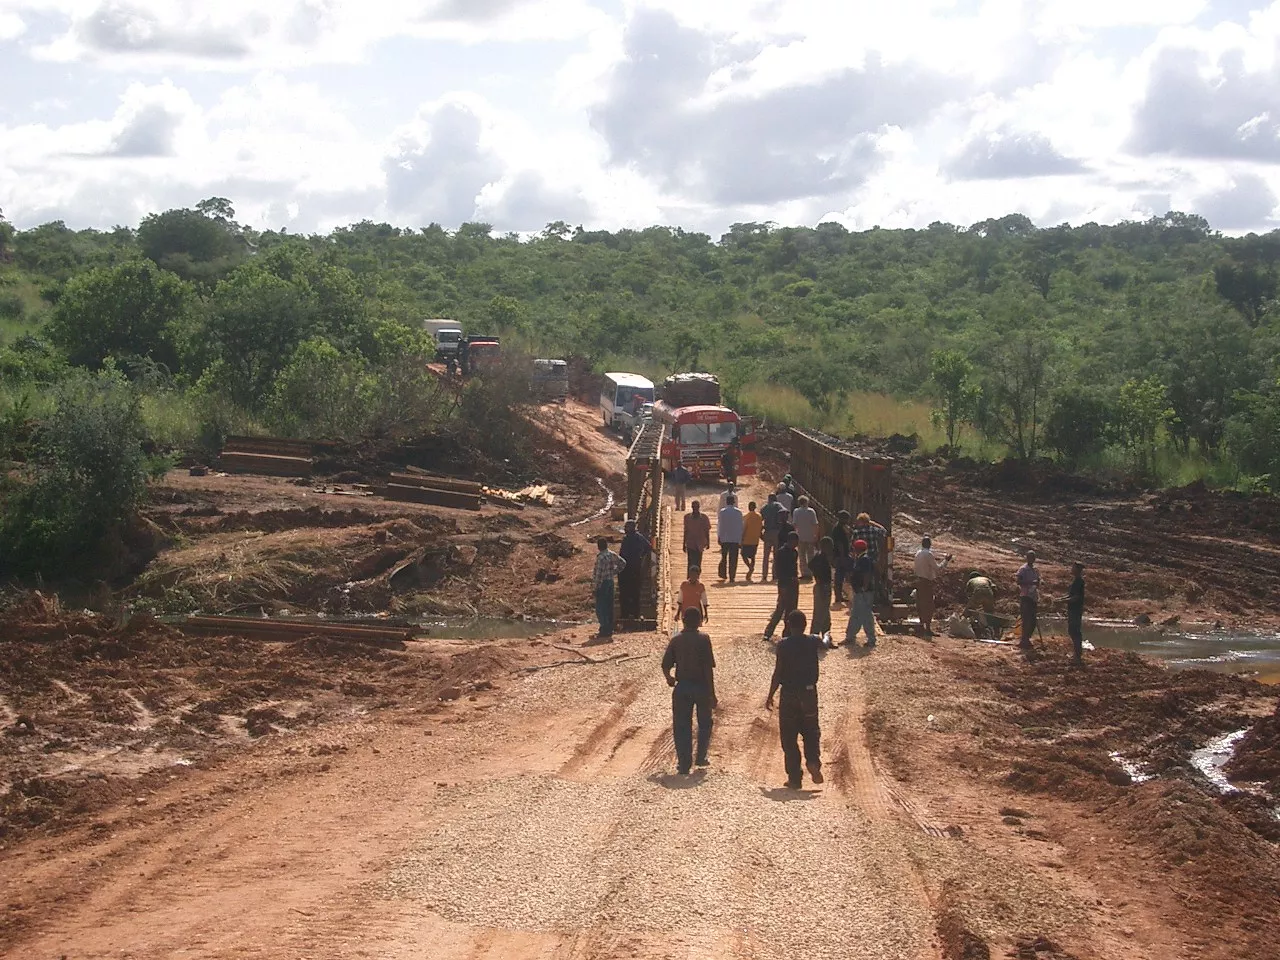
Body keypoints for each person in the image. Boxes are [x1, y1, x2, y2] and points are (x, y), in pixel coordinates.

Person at [766, 610, 827, 789]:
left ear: (788, 625)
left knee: (789, 736)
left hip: (789, 694)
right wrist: (825, 636)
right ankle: (813, 761)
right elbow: (825, 644)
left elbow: (778, 672)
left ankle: (794, 777)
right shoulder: (813, 641)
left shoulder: (783, 645)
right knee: (811, 731)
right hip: (809, 693)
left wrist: (770, 694)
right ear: (805, 624)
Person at [662, 607, 717, 774]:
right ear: (699, 621)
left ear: (683, 620)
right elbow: (708, 669)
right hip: (701, 686)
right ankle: (701, 756)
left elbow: (665, 665)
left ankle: (684, 763)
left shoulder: (676, 640)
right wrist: (712, 693)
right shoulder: (704, 639)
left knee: (682, 725)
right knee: (705, 723)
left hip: (682, 686)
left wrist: (669, 678)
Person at [764, 532, 801, 641]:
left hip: (793, 582)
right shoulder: (781, 552)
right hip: (785, 583)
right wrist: (782, 586)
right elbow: (779, 569)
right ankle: (769, 631)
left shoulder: (794, 552)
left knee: (792, 608)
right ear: (790, 541)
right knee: (780, 608)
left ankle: (788, 632)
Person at [913, 535, 952, 636]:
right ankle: (928, 629)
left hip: (919, 580)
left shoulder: (917, 554)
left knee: (921, 604)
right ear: (930, 545)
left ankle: (922, 627)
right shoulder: (928, 554)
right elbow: (937, 568)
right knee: (929, 605)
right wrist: (946, 560)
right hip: (926, 582)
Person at [843, 538, 876, 649]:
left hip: (864, 592)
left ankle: (871, 639)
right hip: (859, 591)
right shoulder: (860, 559)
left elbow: (867, 574)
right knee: (856, 614)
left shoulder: (864, 560)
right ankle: (850, 636)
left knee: (866, 615)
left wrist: (864, 588)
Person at [618, 519, 653, 621]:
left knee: (628, 592)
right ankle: (632, 614)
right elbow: (649, 547)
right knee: (632, 591)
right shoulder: (636, 538)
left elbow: (649, 547)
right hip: (632, 567)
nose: (625, 529)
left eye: (626, 527)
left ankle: (628, 613)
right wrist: (641, 556)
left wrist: (640, 556)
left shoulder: (632, 538)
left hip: (629, 568)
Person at [591, 537, 626, 640]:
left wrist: (595, 587)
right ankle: (609, 629)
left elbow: (598, 575)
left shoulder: (601, 558)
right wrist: (614, 572)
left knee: (600, 608)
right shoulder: (611, 554)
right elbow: (623, 563)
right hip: (610, 581)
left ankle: (604, 629)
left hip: (603, 583)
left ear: (598, 547)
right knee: (609, 606)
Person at [851, 512, 888, 604]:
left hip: (861, 559)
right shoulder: (874, 530)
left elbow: (852, 545)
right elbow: (884, 530)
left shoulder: (856, 532)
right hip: (874, 558)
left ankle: (863, 595)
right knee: (876, 578)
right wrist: (872, 523)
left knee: (863, 578)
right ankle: (876, 598)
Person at [809, 536, 835, 640]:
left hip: (824, 586)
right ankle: (813, 636)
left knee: (825, 612)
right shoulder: (822, 558)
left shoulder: (819, 556)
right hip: (822, 587)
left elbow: (810, 565)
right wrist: (818, 578)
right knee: (819, 613)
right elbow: (812, 566)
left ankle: (826, 636)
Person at [1060, 562, 1086, 664]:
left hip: (1075, 609)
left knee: (1074, 631)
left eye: (1073, 568)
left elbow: (1075, 597)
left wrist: (1063, 601)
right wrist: (1061, 599)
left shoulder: (1079, 582)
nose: (1071, 569)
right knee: (1073, 631)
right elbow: (1070, 595)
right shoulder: (1076, 581)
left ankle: (1078, 655)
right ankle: (1077, 653)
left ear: (1077, 570)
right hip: (1073, 609)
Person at [1015, 550, 1041, 649]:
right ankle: (1024, 640)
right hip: (1025, 596)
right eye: (1030, 557)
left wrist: (1037, 583)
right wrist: (1030, 582)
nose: (1031, 559)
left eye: (1033, 558)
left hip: (1033, 596)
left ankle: (1027, 638)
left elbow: (1038, 581)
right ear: (1027, 558)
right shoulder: (1023, 569)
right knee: (1026, 619)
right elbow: (1018, 581)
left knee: (1033, 620)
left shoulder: (1035, 570)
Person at [717, 495, 744, 583]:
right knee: (733, 559)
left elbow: (720, 526)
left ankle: (723, 573)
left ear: (726, 502)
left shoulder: (722, 512)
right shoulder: (739, 513)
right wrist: (740, 539)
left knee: (724, 557)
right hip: (735, 538)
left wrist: (719, 536)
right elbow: (741, 527)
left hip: (725, 537)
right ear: (734, 502)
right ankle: (732, 576)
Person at [791, 495, 819, 578]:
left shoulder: (796, 511)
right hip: (810, 536)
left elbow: (794, 524)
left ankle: (804, 573)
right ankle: (811, 573)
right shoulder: (811, 511)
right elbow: (816, 525)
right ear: (807, 502)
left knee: (802, 556)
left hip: (800, 537)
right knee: (810, 555)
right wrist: (816, 535)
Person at [682, 501, 711, 578]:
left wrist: (708, 542)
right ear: (691, 507)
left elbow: (707, 531)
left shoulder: (704, 518)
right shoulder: (687, 517)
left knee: (698, 562)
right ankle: (689, 579)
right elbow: (686, 531)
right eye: (693, 507)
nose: (695, 509)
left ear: (699, 507)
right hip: (690, 543)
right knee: (690, 562)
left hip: (700, 543)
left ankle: (697, 578)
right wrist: (683, 544)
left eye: (696, 507)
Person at [831, 510, 852, 606]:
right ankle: (838, 596)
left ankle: (839, 596)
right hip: (840, 556)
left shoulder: (839, 528)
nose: (848, 521)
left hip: (839, 555)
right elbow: (840, 544)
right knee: (840, 576)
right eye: (847, 518)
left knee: (840, 576)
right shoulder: (838, 529)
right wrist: (843, 556)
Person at [760, 493, 783, 581]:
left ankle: (764, 575)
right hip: (777, 532)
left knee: (766, 555)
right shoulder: (779, 506)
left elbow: (760, 519)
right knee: (776, 555)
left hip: (767, 532)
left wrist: (760, 533)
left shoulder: (765, 507)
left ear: (769, 499)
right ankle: (775, 574)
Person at [741, 500, 763, 582]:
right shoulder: (759, 516)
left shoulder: (746, 516)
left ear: (748, 507)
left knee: (743, 555)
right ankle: (751, 568)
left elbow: (744, 528)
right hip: (755, 540)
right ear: (755, 507)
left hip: (747, 539)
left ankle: (750, 567)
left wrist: (741, 538)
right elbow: (761, 527)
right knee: (753, 556)